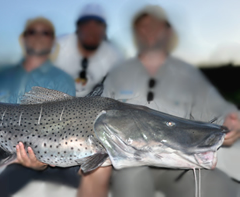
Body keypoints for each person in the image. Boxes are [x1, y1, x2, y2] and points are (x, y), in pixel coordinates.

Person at [0, 17, 111, 197]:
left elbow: (69, 133)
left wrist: (42, 159)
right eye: (32, 32)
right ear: (23, 39)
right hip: (2, 146)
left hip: (52, 156)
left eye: (45, 33)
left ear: (53, 41)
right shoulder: (2, 77)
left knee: (102, 169)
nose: (38, 36)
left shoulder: (62, 80)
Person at [102, 5, 240, 197]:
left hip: (178, 161)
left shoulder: (188, 74)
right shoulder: (118, 73)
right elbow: (100, 116)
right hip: (130, 162)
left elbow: (220, 111)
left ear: (168, 32)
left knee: (219, 186)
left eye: (155, 26)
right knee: (131, 184)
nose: (148, 31)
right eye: (142, 27)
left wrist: (232, 121)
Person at [54, 3, 124, 97]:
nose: (91, 30)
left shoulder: (115, 57)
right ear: (78, 28)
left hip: (94, 105)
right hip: (54, 101)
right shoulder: (57, 46)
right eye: (86, 24)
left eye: (97, 25)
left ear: (104, 31)